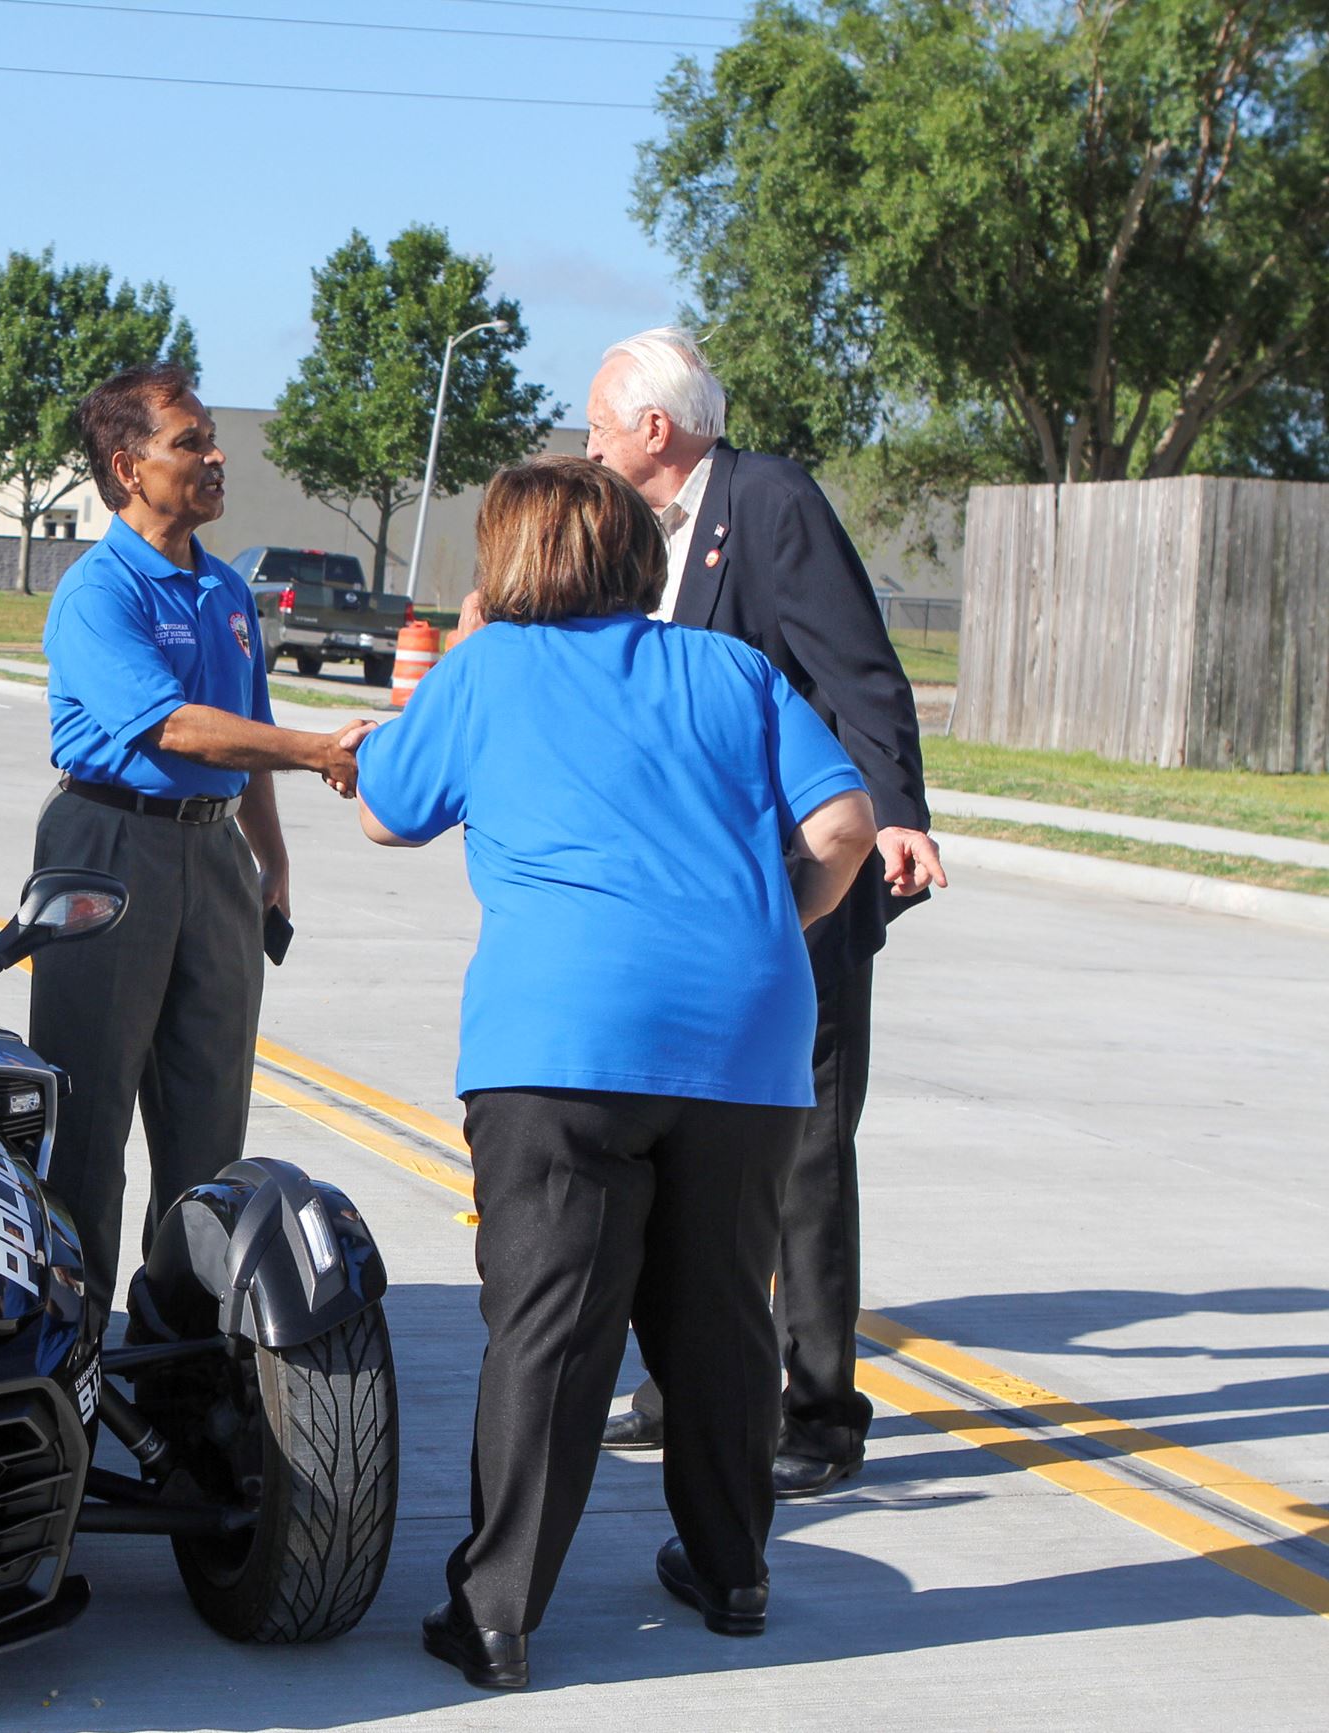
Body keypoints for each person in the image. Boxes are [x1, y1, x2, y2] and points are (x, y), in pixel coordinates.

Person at [355, 456, 877, 1691]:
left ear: (509, 557)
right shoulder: (731, 667)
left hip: (563, 1040)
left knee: (550, 1320)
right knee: (713, 1314)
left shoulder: (489, 665)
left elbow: (387, 806)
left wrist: (463, 648)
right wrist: (762, 928)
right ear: (635, 556)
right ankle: (733, 1569)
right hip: (742, 1038)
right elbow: (844, 824)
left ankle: (497, 1608)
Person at [583, 327, 943, 1498]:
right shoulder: (646, 532)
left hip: (808, 882)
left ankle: (821, 1409)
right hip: (708, 898)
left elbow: (858, 670)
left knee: (800, 1148)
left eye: (595, 426)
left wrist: (894, 813)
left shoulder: (769, 500)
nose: (584, 447)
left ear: (654, 427)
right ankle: (693, 1380)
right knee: (698, 1146)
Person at [29, 362, 369, 1304]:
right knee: (90, 1119)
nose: (215, 456)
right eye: (191, 442)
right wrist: (316, 748)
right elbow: (172, 725)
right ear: (129, 467)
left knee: (209, 1115)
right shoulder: (99, 592)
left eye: (211, 435)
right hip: (108, 847)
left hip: (213, 849)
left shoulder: (225, 589)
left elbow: (240, 730)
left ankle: (180, 1334)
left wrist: (273, 858)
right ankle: (77, 1336)